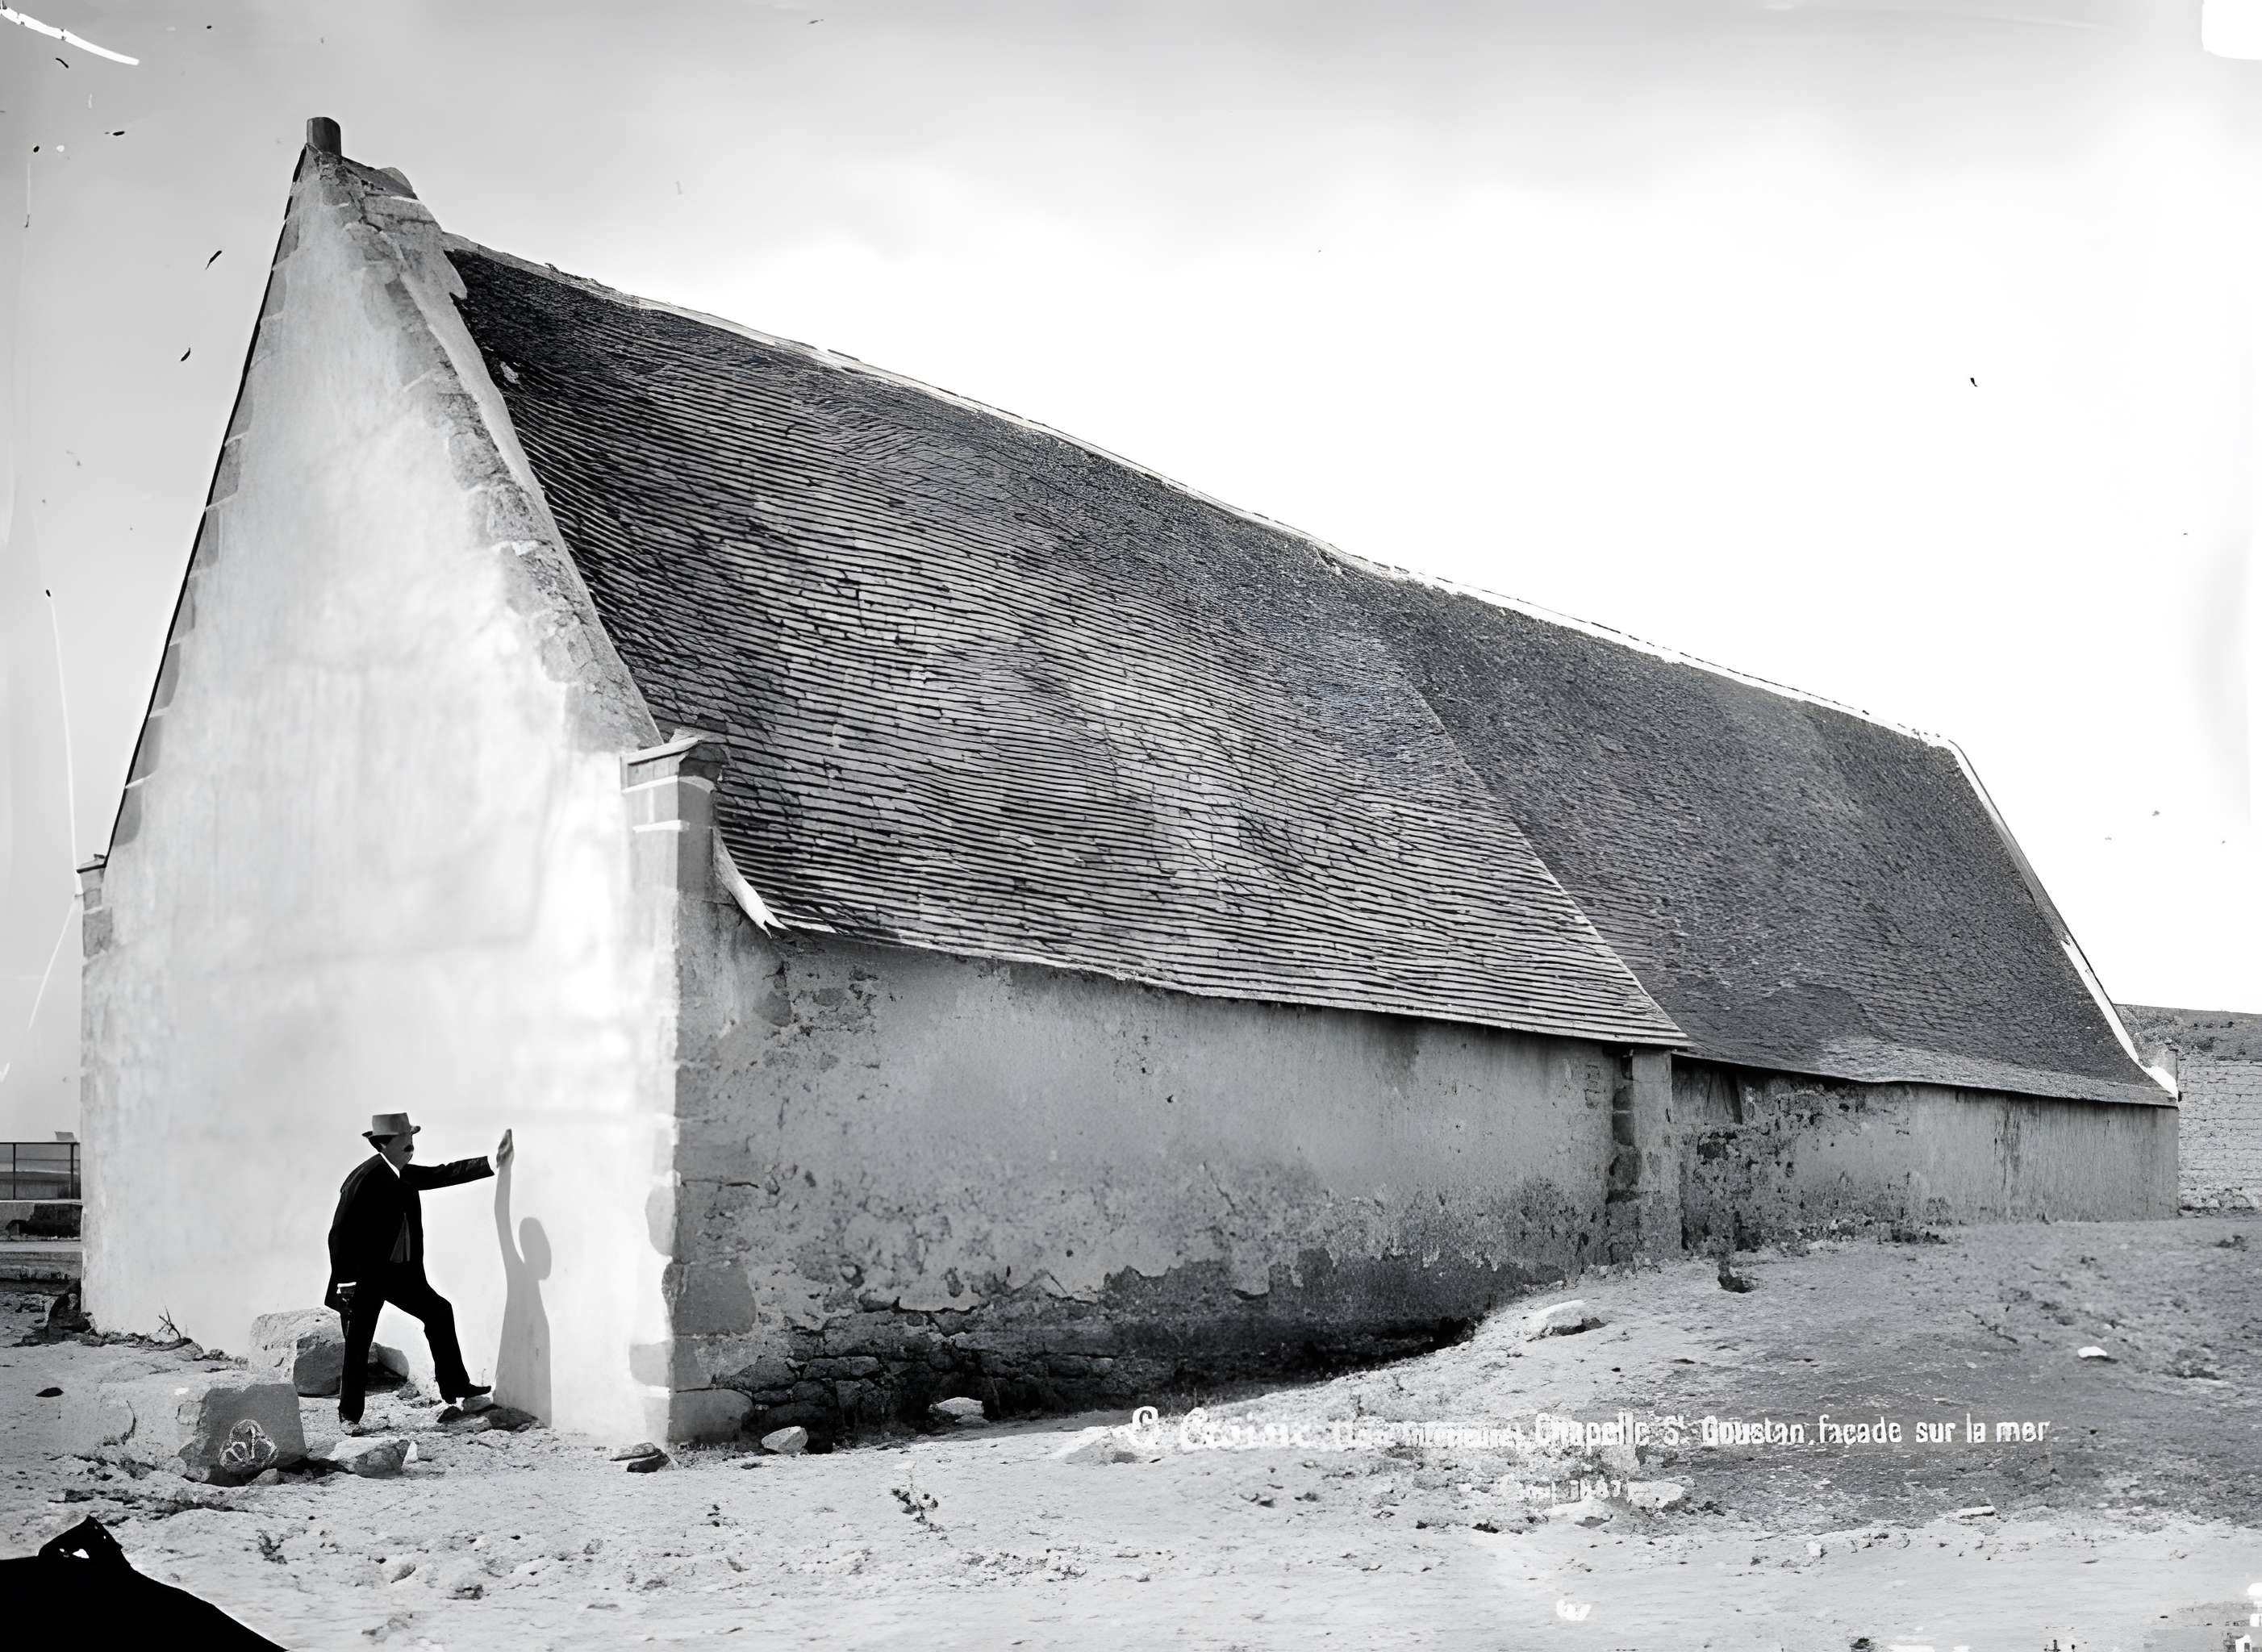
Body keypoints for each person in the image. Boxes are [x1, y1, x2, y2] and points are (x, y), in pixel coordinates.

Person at [325, 1112, 514, 1433]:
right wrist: (346, 1282)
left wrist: (491, 1162)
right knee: (358, 1343)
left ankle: (455, 1387)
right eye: (406, 1142)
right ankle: (349, 1416)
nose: (412, 1147)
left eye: (412, 1141)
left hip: (399, 1274)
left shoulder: (403, 1173)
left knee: (439, 1312)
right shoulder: (364, 1178)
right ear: (385, 1144)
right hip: (363, 1278)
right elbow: (339, 1233)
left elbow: (443, 1174)